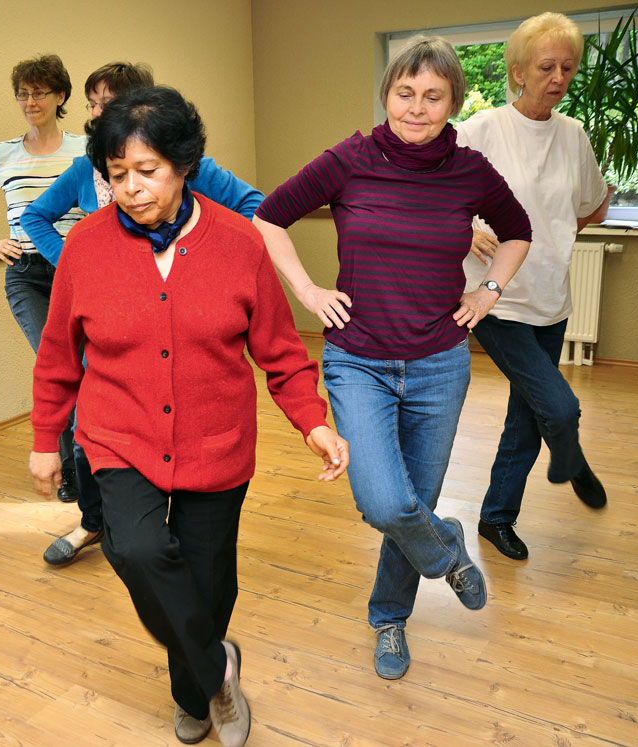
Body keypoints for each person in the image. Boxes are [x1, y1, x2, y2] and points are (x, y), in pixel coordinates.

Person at [28, 85, 348, 747]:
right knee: (138, 549)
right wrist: (43, 439)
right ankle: (215, 670)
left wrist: (313, 421)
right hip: (119, 435)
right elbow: (59, 353)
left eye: (147, 171)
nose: (132, 188)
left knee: (208, 585)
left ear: (184, 165)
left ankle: (196, 689)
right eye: (117, 175)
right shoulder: (86, 248)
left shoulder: (239, 243)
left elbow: (282, 353)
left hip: (216, 440)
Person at [253, 37, 532, 681]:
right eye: (405, 93)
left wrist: (487, 292)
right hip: (358, 362)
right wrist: (308, 290)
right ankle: (449, 551)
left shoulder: (469, 170)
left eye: (433, 96)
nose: (416, 107)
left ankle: (389, 619)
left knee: (415, 499)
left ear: (453, 103)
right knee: (385, 502)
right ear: (387, 95)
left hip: (440, 363)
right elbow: (270, 217)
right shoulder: (349, 159)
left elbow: (517, 230)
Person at [21, 62, 265, 567]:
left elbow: (252, 207)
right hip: (109, 326)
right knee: (102, 426)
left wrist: (212, 260)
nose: (101, 114)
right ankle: (96, 519)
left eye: (111, 104)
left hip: (180, 338)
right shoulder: (85, 178)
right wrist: (69, 258)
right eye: (94, 106)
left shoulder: (193, 170)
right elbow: (37, 219)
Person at [455, 12, 610, 562]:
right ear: (518, 70)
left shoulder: (573, 134)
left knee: (527, 414)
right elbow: (434, 194)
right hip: (495, 300)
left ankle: (496, 518)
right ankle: (570, 456)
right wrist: (466, 226)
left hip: (552, 298)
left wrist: (561, 227)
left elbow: (591, 206)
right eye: (546, 66)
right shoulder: (480, 131)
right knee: (559, 408)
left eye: (567, 67)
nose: (558, 76)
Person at [0, 54, 85, 503]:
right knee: (57, 366)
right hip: (27, 275)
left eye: (39, 92)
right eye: (23, 94)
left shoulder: (84, 148)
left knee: (90, 367)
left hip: (78, 272)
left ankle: (101, 464)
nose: (30, 101)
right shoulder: (2, 153)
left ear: (60, 96)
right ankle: (71, 472)